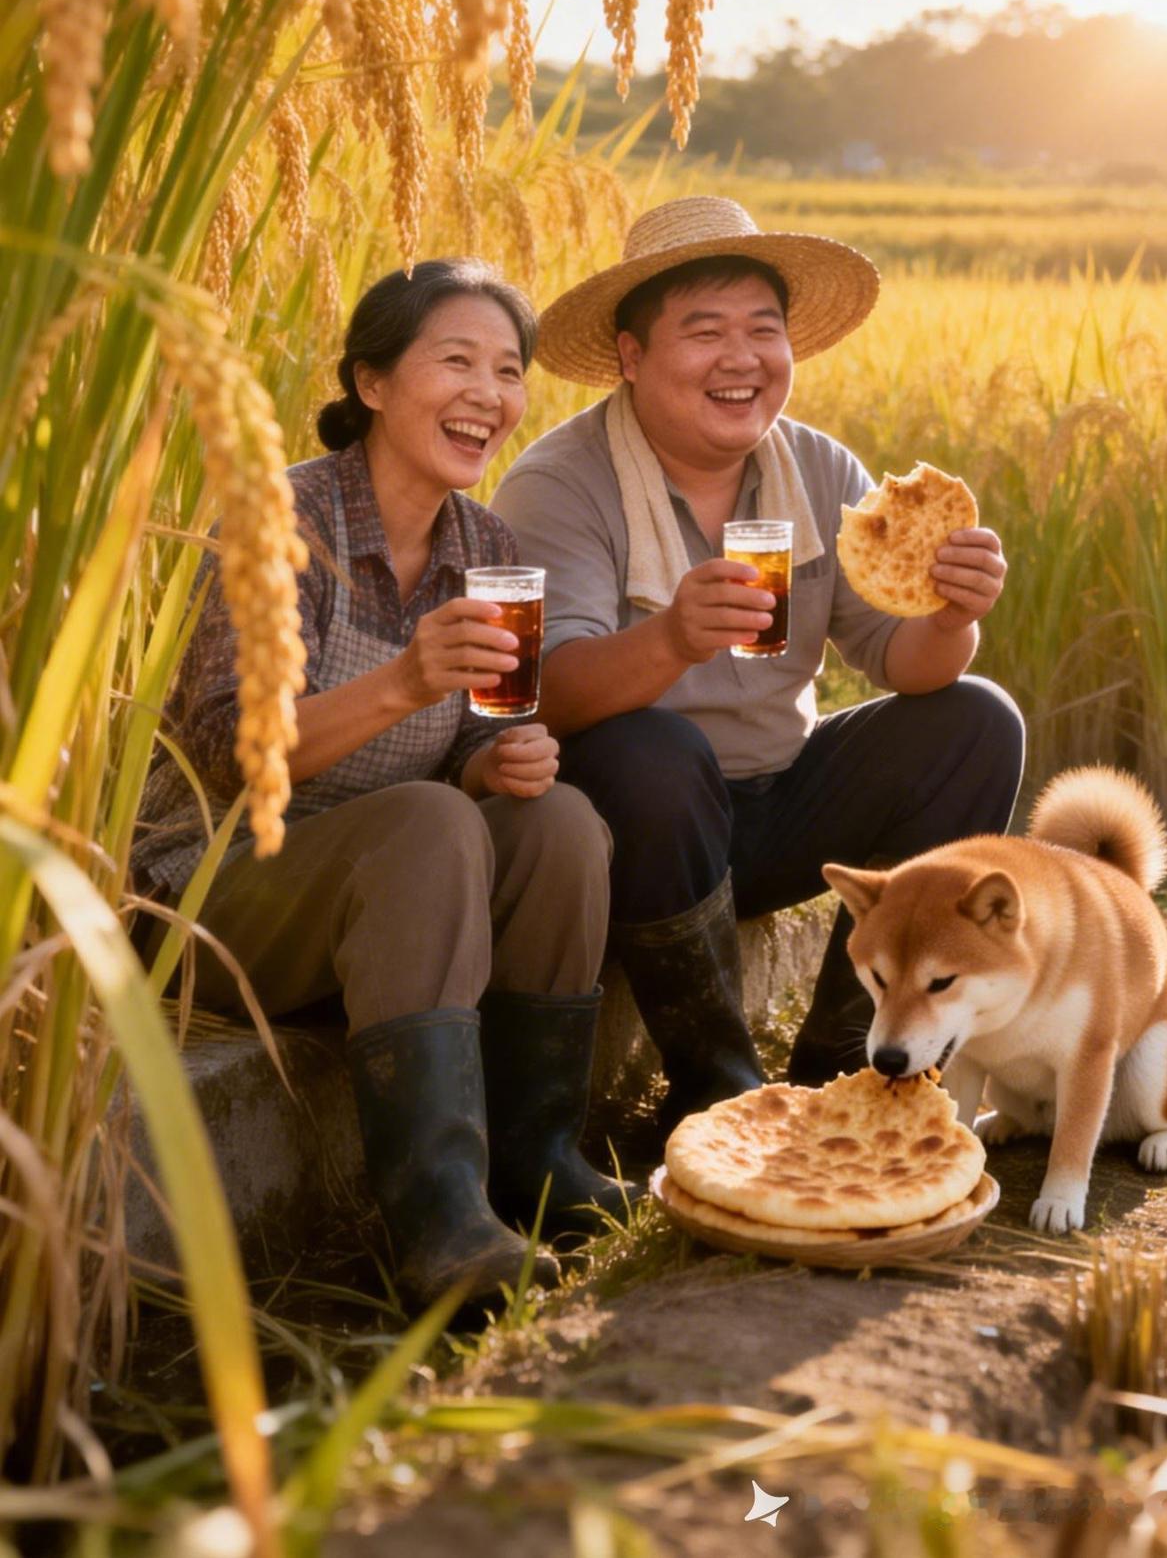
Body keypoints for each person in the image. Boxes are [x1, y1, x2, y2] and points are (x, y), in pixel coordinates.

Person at [132, 259, 630, 1315]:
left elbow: (482, 747)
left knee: (561, 825)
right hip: (215, 895)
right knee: (426, 822)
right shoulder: (278, 520)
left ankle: (535, 1160)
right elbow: (229, 750)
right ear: (370, 380)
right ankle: (437, 1220)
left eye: (507, 370)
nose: (487, 395)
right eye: (455, 361)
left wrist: (504, 759)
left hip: (390, 901)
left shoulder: (487, 546)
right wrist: (406, 680)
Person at [491, 196, 1025, 1138]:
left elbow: (905, 663)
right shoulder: (561, 481)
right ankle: (716, 1082)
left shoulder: (815, 470)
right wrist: (671, 639)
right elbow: (547, 693)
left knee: (977, 717)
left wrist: (951, 612)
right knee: (650, 748)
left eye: (762, 330)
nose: (742, 358)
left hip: (776, 804)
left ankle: (849, 1070)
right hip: (638, 839)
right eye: (705, 331)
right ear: (631, 355)